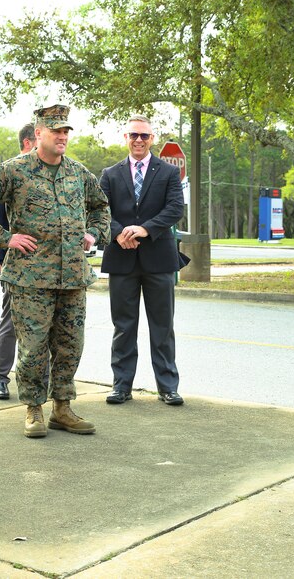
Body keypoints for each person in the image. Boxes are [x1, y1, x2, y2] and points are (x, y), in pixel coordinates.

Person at [0, 104, 110, 438]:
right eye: (56, 131)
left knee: (70, 345)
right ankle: (34, 409)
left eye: (66, 131)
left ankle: (62, 408)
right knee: (34, 347)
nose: (62, 136)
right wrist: (5, 239)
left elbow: (101, 207)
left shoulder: (78, 173)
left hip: (72, 277)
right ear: (38, 133)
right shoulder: (13, 171)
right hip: (30, 277)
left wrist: (93, 233)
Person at [99, 115, 185, 406]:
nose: (138, 140)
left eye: (144, 136)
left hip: (159, 259)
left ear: (152, 139)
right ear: (125, 138)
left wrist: (145, 229)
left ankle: (168, 387)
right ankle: (121, 386)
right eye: (133, 135)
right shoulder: (110, 174)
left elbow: (175, 208)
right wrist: (118, 233)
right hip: (121, 259)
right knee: (124, 327)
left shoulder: (168, 173)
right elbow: (99, 211)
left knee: (162, 326)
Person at [0, 122, 36, 400]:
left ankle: (40, 381)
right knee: (12, 321)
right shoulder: (9, 171)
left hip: (47, 266)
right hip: (16, 264)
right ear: (29, 142)